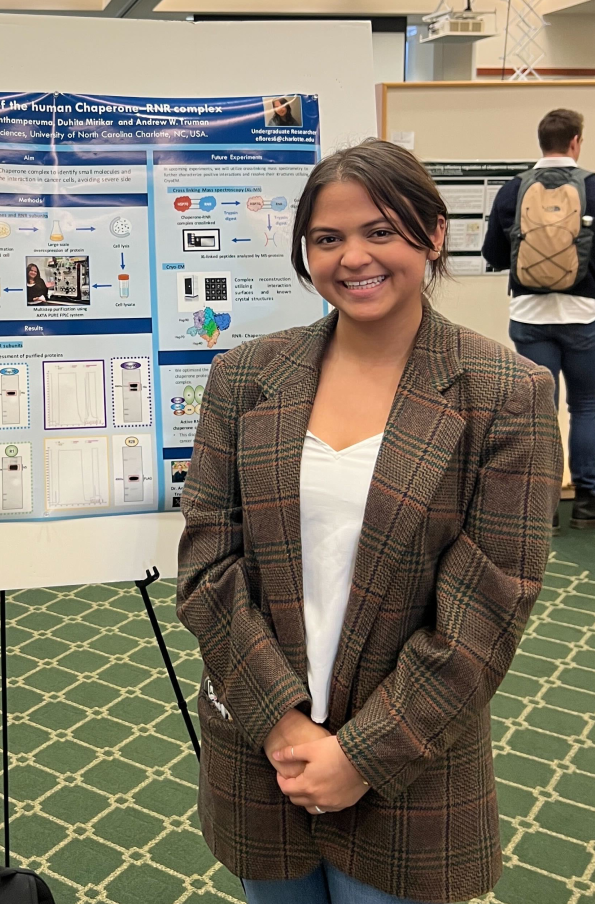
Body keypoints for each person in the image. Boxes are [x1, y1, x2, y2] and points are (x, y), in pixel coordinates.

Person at [177, 139, 560, 904]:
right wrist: (283, 724)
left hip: (413, 757)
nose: (355, 257)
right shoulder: (245, 378)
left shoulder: (505, 392)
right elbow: (207, 566)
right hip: (263, 748)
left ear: (433, 233)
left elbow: (490, 604)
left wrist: (360, 754)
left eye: (380, 231)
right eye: (328, 238)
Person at [483, 108, 595, 532]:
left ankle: (543, 507)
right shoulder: (593, 188)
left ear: (540, 142)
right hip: (585, 316)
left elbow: (494, 254)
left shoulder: (514, 189)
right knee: (586, 406)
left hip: (529, 317)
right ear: (576, 141)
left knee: (540, 412)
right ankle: (586, 505)